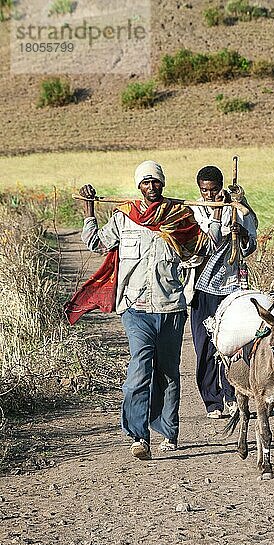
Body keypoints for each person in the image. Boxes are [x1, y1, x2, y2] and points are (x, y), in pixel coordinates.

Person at [76, 160, 208, 460]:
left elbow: (201, 249)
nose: (151, 187)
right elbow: (97, 244)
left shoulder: (179, 216)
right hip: (135, 308)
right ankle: (138, 436)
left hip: (171, 307)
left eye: (156, 182)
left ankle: (169, 431)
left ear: (163, 184)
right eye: (146, 182)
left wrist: (219, 211)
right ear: (139, 186)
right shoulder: (125, 219)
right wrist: (89, 211)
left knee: (168, 373)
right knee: (139, 370)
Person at [187, 165, 257, 419]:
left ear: (221, 186)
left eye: (214, 189)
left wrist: (243, 235)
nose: (209, 194)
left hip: (232, 285)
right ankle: (212, 401)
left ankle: (233, 395)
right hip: (201, 287)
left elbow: (251, 245)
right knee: (204, 345)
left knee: (233, 344)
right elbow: (208, 244)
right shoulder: (194, 210)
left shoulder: (237, 208)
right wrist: (216, 215)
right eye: (205, 190)